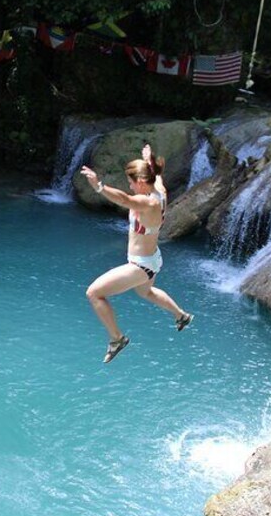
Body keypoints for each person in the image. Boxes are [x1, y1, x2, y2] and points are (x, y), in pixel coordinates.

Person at [81, 143, 194, 363]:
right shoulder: (160, 190)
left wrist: (99, 186)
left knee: (94, 293)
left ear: (141, 182)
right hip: (152, 259)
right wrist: (149, 159)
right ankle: (181, 315)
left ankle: (117, 339)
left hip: (140, 265)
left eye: (132, 182)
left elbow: (124, 199)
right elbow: (157, 176)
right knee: (146, 293)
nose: (130, 186)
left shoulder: (148, 202)